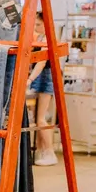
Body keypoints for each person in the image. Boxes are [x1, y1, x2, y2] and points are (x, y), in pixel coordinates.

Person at [27, 12, 57, 166]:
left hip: (45, 78)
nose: (36, 27)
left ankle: (50, 152)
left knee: (40, 118)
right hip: (40, 78)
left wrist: (30, 78)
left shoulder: (47, 39)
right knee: (38, 118)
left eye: (38, 24)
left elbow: (42, 62)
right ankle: (41, 151)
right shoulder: (40, 38)